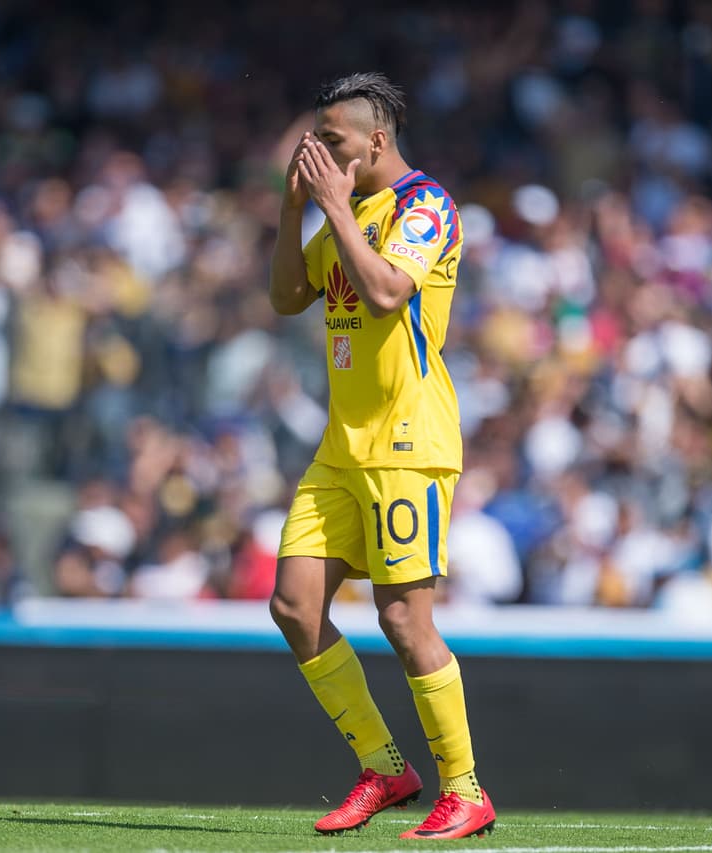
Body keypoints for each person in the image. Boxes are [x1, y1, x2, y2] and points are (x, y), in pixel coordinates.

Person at [268, 72, 495, 840]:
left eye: (330, 141)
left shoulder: (424, 205)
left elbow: (389, 293)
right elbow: (287, 297)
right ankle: (385, 766)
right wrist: (292, 204)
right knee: (296, 606)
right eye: (314, 141)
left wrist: (332, 207)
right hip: (342, 446)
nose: (318, 152)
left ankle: (464, 788)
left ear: (376, 139)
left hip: (407, 442)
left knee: (403, 618)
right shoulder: (344, 208)